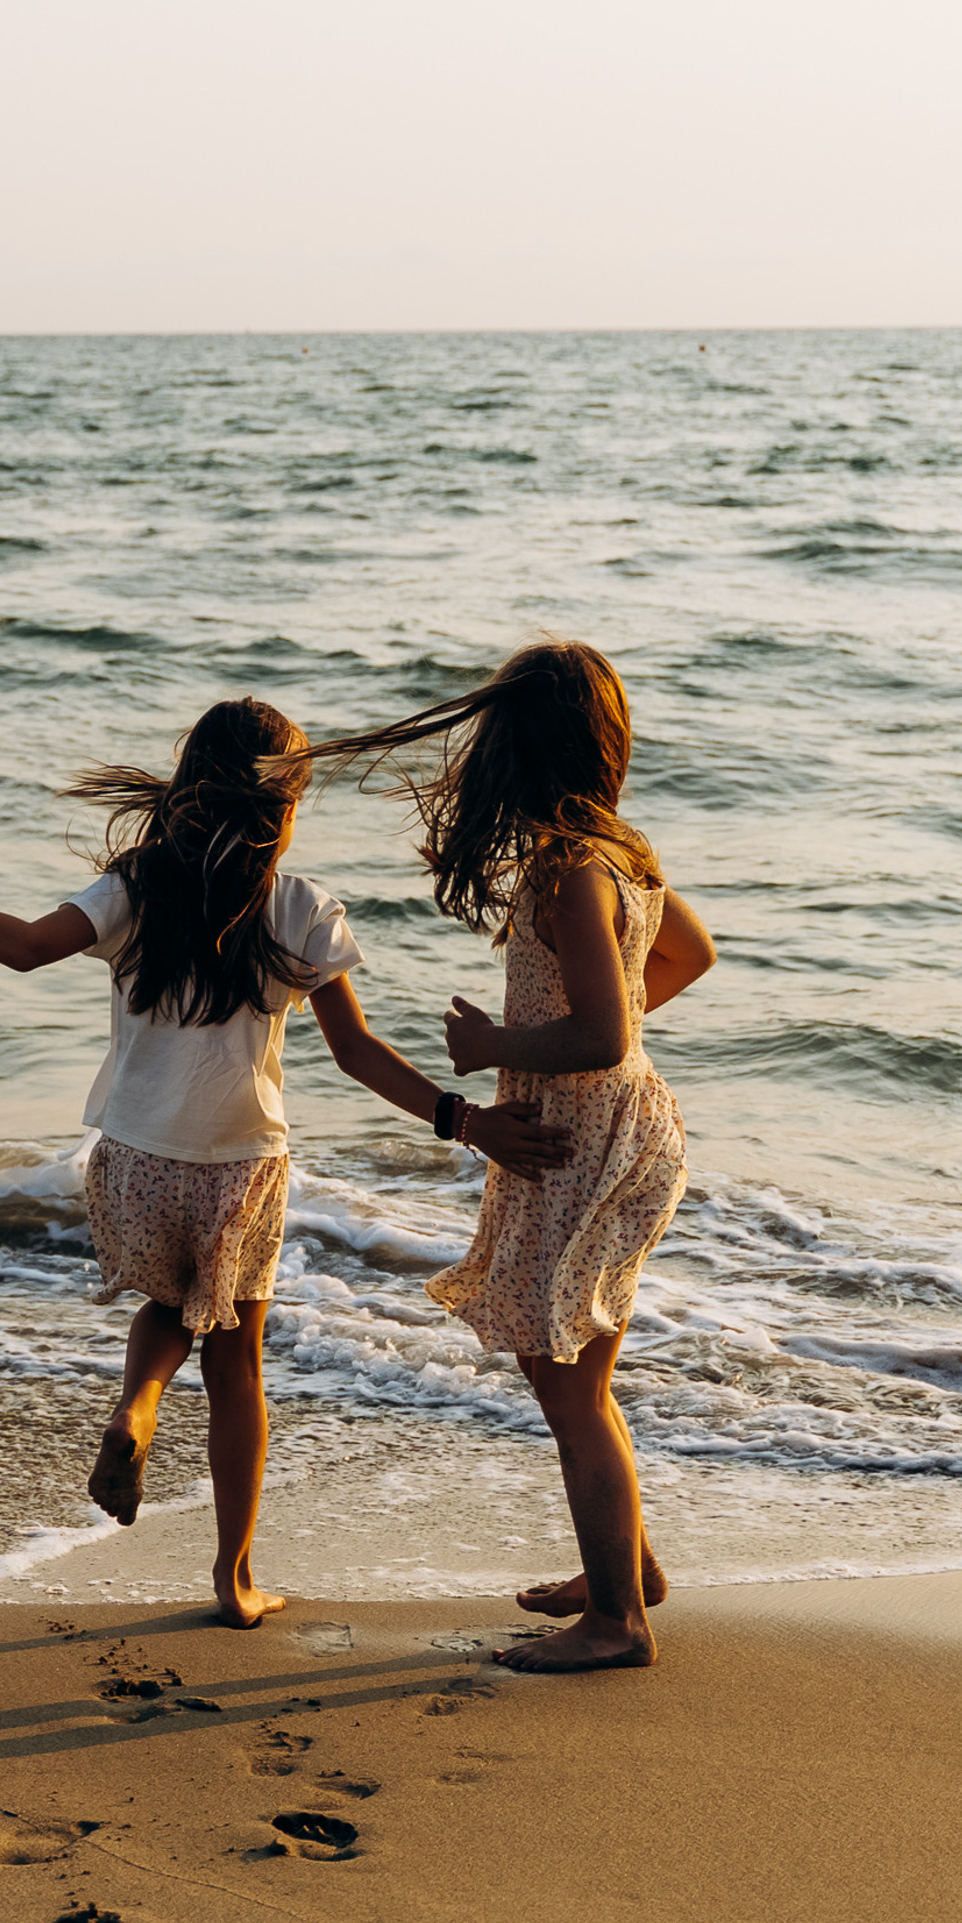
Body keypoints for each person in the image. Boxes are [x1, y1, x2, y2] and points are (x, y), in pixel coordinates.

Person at [0, 697, 568, 1630]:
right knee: (237, 1362)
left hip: (136, 1160)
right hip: (241, 1166)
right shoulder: (301, 909)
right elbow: (356, 1054)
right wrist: (465, 1119)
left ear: (185, 786)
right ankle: (234, 1578)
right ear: (286, 807)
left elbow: (24, 949)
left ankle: (136, 1408)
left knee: (168, 1310)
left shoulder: (135, 886)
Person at [309, 642, 717, 1672]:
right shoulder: (619, 853)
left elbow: (603, 1036)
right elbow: (688, 955)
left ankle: (617, 1625)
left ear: (518, 748)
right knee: (567, 1364)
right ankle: (626, 1569)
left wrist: (497, 1046)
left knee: (567, 1380)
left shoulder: (570, 868)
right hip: (611, 1128)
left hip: (586, 1137)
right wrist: (582, 1038)